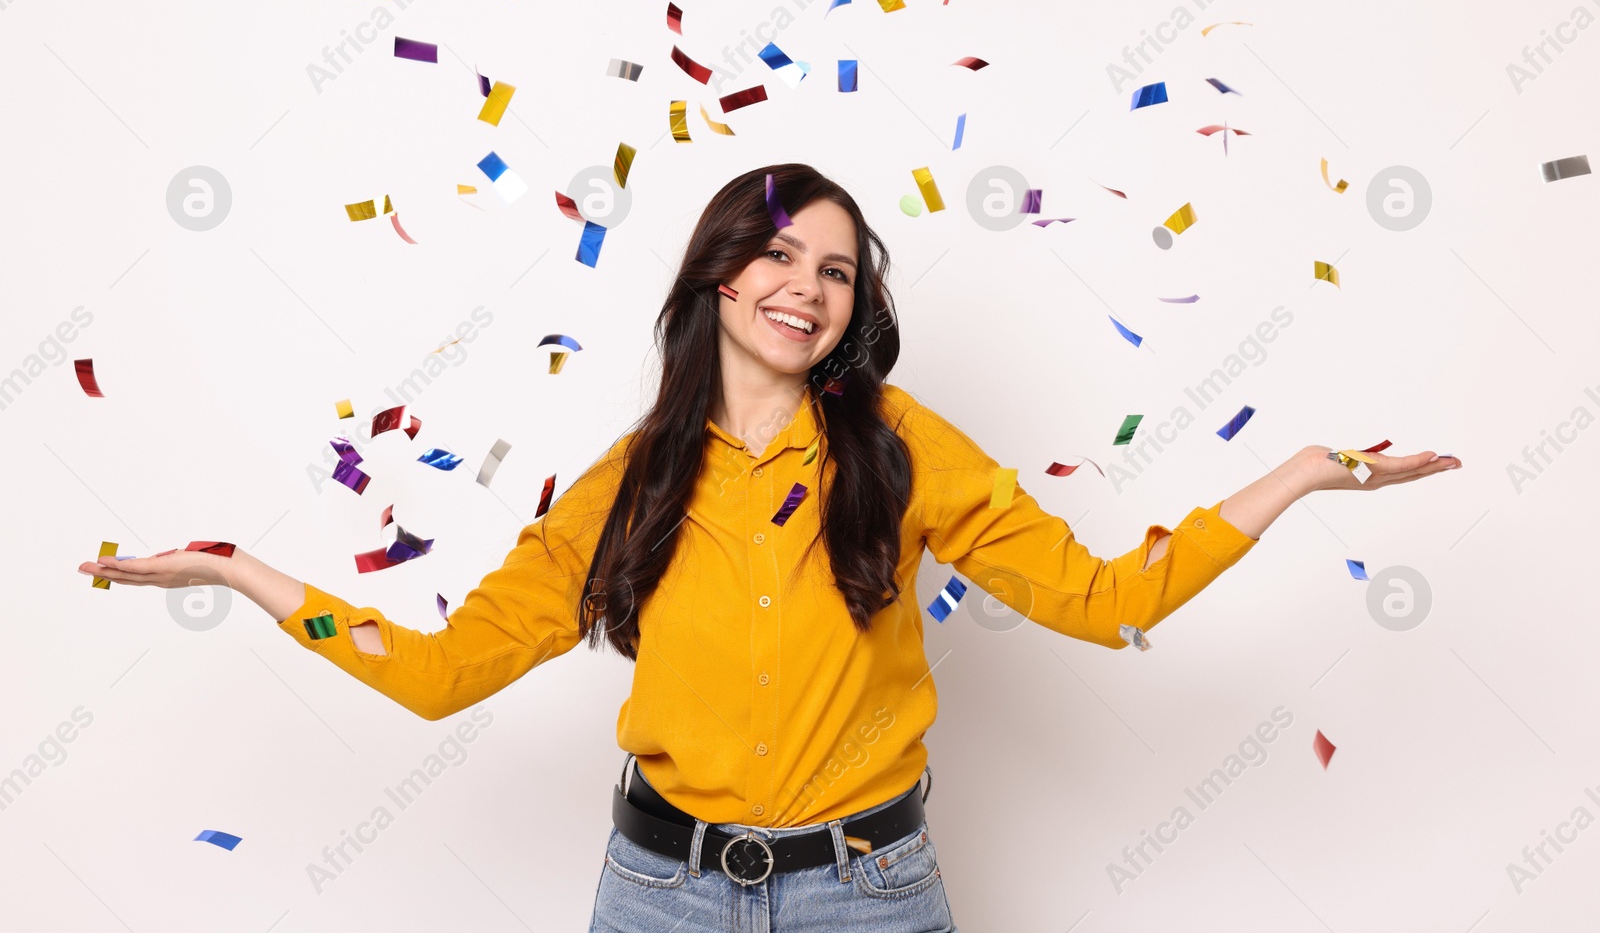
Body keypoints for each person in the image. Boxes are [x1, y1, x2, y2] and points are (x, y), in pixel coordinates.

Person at [79, 163, 1461, 932]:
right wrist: (242, 574)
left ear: (853, 305)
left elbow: (1108, 600)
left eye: (838, 270)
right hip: (658, 896)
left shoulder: (902, 445)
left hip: (871, 894)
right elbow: (445, 673)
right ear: (720, 273)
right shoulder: (626, 483)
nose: (807, 287)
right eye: (783, 255)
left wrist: (1305, 474)